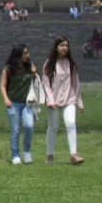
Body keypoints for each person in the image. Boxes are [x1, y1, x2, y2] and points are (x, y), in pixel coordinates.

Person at [41, 37, 85, 165]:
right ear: (56, 47)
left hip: (69, 99)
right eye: (61, 45)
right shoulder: (49, 63)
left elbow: (76, 84)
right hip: (53, 101)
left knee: (71, 123)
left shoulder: (71, 64)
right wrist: (50, 100)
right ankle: (49, 155)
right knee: (53, 126)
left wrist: (79, 102)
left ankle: (73, 154)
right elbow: (46, 84)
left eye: (66, 45)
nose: (64, 48)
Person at [0, 44, 37, 165]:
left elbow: (35, 81)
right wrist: (6, 99)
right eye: (25, 53)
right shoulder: (8, 69)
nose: (27, 55)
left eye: (27, 52)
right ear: (18, 55)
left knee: (29, 126)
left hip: (27, 103)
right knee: (15, 130)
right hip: (13, 103)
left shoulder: (29, 66)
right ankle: (15, 155)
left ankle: (27, 152)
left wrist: (34, 72)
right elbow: (3, 86)